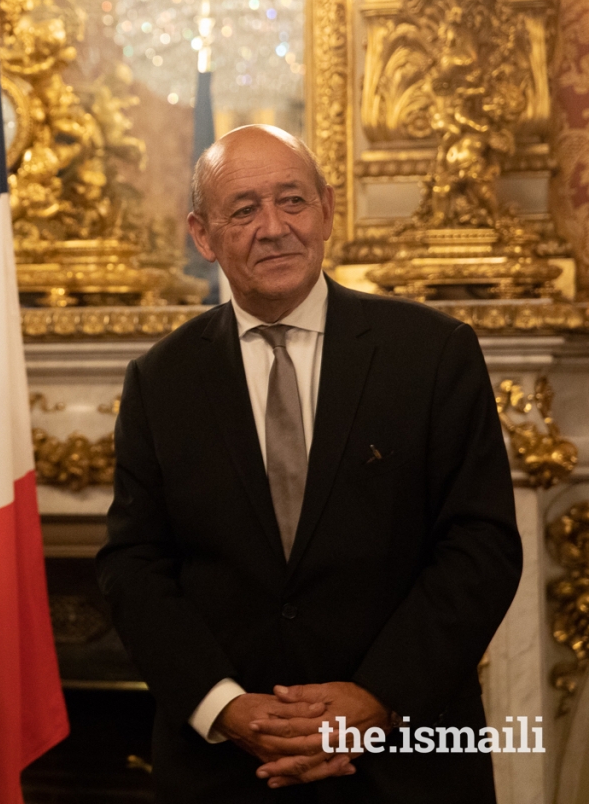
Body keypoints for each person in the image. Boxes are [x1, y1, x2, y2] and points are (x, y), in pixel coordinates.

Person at [97, 125, 522, 803]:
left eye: (291, 201)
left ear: (326, 209)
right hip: (227, 769)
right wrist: (225, 707)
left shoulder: (433, 353)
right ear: (203, 237)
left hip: (405, 761)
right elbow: (134, 566)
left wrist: (377, 699)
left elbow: (482, 546)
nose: (273, 228)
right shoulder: (160, 379)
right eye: (243, 210)